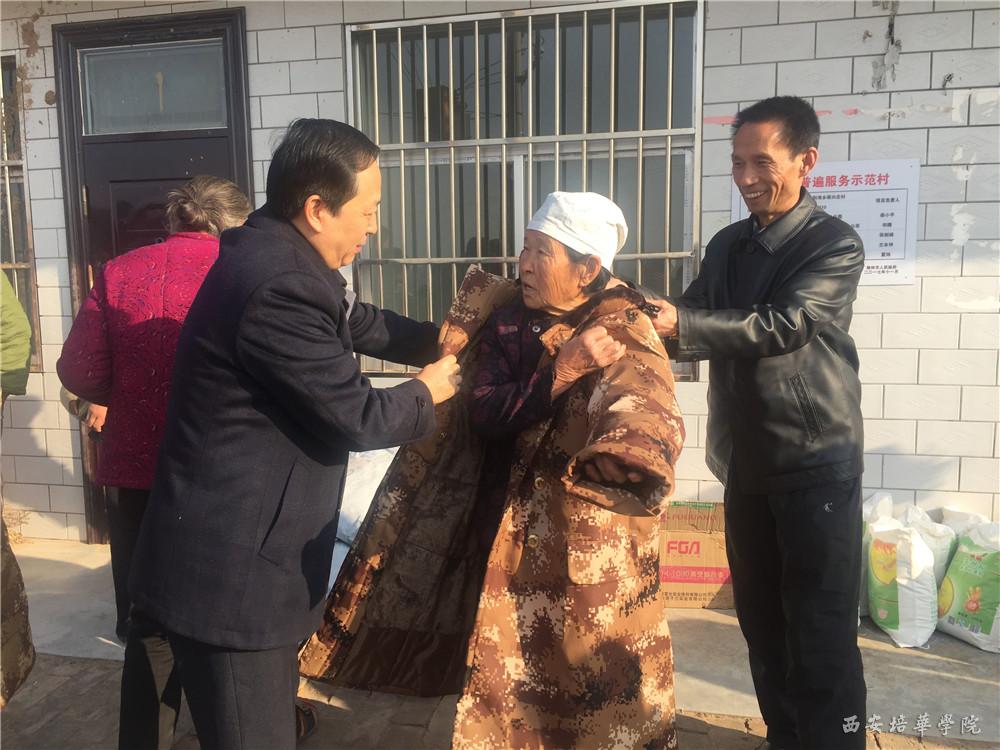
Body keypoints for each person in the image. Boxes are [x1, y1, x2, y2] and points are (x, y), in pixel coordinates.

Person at [300, 192, 685, 749]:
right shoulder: (508, 323)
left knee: (582, 664)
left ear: (588, 269)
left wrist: (630, 455)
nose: (523, 264)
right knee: (502, 653)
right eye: (524, 249)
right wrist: (560, 372)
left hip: (577, 526)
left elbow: (643, 400)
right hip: (496, 514)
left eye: (541, 253)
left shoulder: (620, 326)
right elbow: (485, 411)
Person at [128, 119, 461, 750]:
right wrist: (430, 390)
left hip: (229, 555)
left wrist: (439, 339)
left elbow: (358, 321)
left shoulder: (280, 251)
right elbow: (356, 416)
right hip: (235, 583)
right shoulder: (279, 284)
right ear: (316, 208)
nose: (374, 226)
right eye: (368, 210)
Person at [653, 96, 866, 750]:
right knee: (763, 623)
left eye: (761, 162)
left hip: (814, 461)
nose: (746, 177)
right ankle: (785, 737)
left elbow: (786, 323)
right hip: (745, 463)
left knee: (820, 630)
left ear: (806, 161)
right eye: (737, 162)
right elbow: (690, 316)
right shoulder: (728, 245)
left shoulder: (833, 243)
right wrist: (631, 318)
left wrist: (682, 323)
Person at [57, 176, 251, 750]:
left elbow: (79, 371)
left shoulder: (119, 272)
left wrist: (127, 391)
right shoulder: (245, 273)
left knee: (149, 624)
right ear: (236, 222)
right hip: (224, 474)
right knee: (225, 624)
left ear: (174, 221)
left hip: (137, 473)